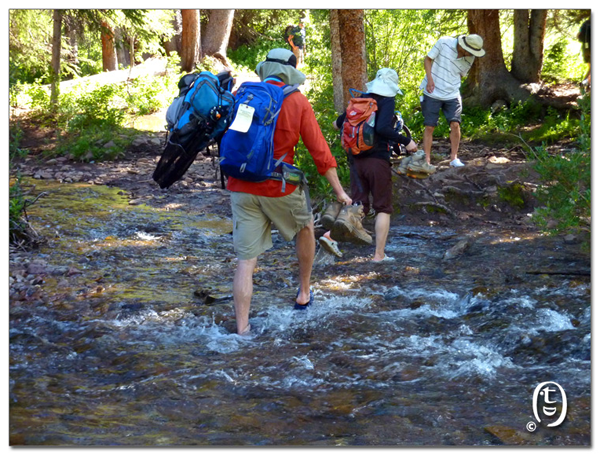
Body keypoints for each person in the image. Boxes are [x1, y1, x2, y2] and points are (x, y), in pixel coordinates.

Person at [227, 48, 352, 335]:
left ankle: (242, 329)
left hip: (241, 186)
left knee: (246, 261)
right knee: (306, 227)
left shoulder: (244, 96)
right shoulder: (296, 101)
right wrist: (340, 192)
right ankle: (304, 292)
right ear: (289, 73)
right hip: (279, 187)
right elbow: (320, 153)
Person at [333, 68, 417, 262]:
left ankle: (330, 238)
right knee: (383, 208)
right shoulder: (386, 101)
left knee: (359, 204)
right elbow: (382, 128)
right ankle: (378, 255)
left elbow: (337, 124)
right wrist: (406, 141)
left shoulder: (361, 100)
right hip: (377, 161)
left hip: (356, 161)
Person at [420, 34, 485, 168]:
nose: (471, 54)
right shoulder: (444, 42)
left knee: (455, 125)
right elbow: (427, 60)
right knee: (429, 126)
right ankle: (426, 159)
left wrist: (450, 86)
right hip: (432, 92)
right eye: (469, 51)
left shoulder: (470, 58)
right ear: (462, 45)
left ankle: (454, 158)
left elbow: (460, 75)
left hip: (452, 94)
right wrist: (430, 79)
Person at [577, 19, 591, 88]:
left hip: (585, 49)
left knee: (590, 68)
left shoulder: (585, 23)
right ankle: (583, 85)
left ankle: (586, 86)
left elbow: (578, 35)